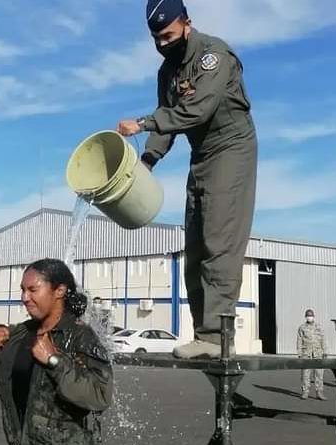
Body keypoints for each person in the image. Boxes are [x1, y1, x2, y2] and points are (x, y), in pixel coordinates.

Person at [116, 0, 258, 359]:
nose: (162, 44)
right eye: (155, 38)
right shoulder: (167, 73)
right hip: (201, 156)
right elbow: (170, 121)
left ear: (187, 23)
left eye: (167, 35)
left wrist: (143, 123)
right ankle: (205, 339)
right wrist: (145, 162)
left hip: (231, 149)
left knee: (218, 243)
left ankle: (214, 338)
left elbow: (197, 109)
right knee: (194, 252)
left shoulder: (214, 55)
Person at [0, 259, 113, 445]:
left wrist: (54, 360)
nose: (24, 297)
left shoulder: (80, 335)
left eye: (33, 290)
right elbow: (2, 387)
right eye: (23, 289)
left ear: (59, 291)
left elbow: (100, 396)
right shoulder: (20, 334)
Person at [297, 309, 327, 400]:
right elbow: (299, 341)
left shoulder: (319, 327)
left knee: (319, 374)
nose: (309, 317)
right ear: (305, 317)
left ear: (313, 316)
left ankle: (319, 392)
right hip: (306, 354)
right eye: (308, 315)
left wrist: (325, 352)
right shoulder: (302, 328)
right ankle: (305, 392)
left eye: (311, 315)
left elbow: (323, 339)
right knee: (306, 374)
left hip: (318, 353)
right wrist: (299, 353)